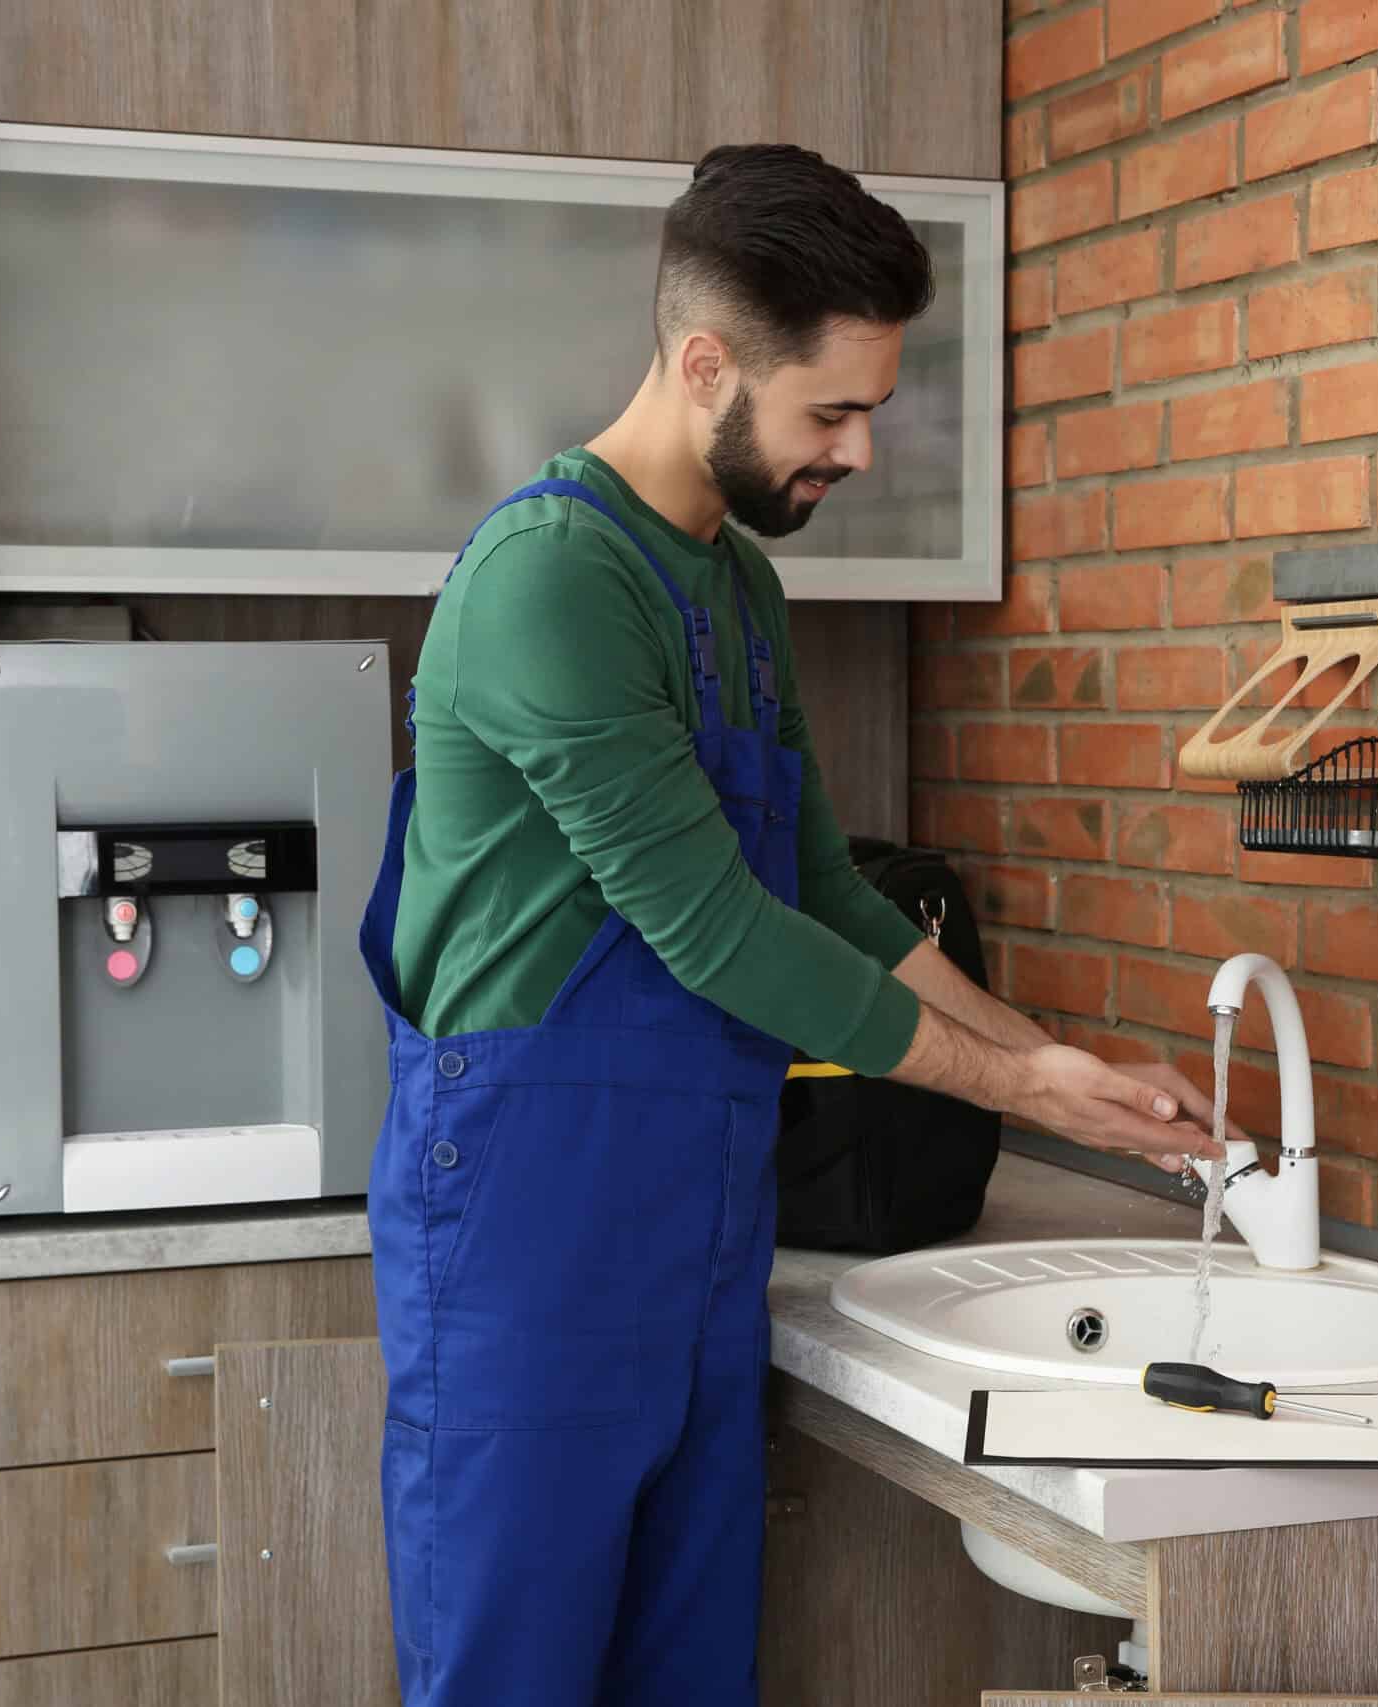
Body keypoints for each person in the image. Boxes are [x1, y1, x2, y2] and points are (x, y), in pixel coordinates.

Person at [356, 142, 1229, 1707]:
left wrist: (1057, 1061)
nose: (860, 451)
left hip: (695, 1229)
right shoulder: (552, 580)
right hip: (528, 1245)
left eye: (872, 412)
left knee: (688, 1676)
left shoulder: (738, 589)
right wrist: (1011, 1092)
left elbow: (822, 890)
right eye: (832, 410)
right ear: (706, 366)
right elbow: (711, 931)